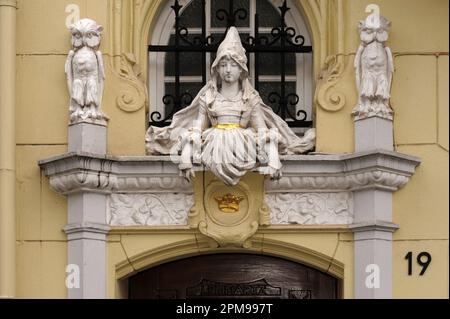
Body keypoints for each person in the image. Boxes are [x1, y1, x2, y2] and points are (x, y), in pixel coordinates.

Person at [146, 27, 315, 186]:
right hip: (213, 144)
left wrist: (273, 159)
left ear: (242, 70)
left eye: (233, 65)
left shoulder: (250, 99)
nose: (228, 70)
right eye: (223, 65)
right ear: (217, 69)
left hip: (244, 145)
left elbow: (262, 131)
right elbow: (196, 129)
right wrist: (184, 159)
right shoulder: (208, 97)